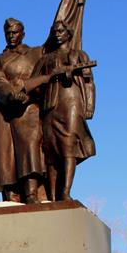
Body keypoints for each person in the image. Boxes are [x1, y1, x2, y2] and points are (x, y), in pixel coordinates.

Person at [0, 18, 46, 204]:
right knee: (5, 154)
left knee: (30, 147)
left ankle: (31, 193)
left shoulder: (37, 53)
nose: (11, 36)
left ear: (23, 34)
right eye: (8, 33)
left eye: (15, 32)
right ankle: (11, 196)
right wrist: (11, 94)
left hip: (30, 107)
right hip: (4, 110)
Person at [31, 20, 96, 200]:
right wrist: (50, 79)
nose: (57, 34)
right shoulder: (46, 59)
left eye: (61, 31)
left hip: (71, 102)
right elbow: (34, 85)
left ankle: (65, 192)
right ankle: (52, 196)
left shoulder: (79, 55)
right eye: (55, 31)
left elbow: (89, 83)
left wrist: (90, 106)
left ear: (69, 34)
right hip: (50, 103)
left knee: (68, 145)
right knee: (51, 149)